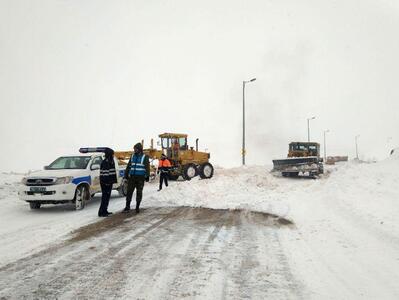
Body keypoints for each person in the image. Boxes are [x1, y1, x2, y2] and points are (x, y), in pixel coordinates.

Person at [123, 143, 150, 213]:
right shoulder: (132, 156)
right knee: (129, 192)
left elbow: (147, 167)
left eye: (136, 149)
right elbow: (128, 166)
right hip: (132, 177)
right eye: (134, 149)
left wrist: (147, 176)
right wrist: (126, 175)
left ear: (139, 149)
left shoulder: (144, 157)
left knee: (139, 192)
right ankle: (127, 206)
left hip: (140, 178)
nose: (134, 150)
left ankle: (137, 207)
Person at [98, 148, 117, 217]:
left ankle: (105, 210)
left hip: (109, 182)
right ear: (109, 154)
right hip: (105, 183)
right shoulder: (106, 162)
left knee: (107, 197)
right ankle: (101, 212)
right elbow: (105, 173)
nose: (113, 155)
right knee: (105, 197)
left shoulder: (110, 161)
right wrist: (107, 182)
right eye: (112, 154)